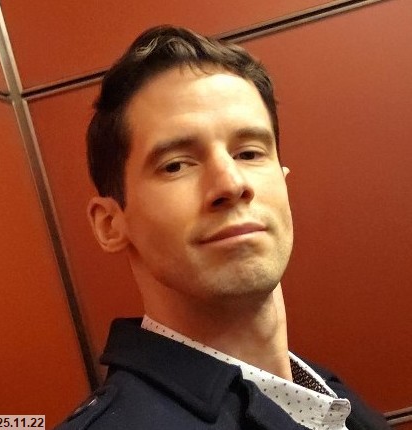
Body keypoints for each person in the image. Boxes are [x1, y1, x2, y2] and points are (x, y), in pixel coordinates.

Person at [56, 26, 390, 429]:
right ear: (110, 224)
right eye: (176, 165)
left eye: (249, 153)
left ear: (283, 183)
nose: (231, 184)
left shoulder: (328, 394)